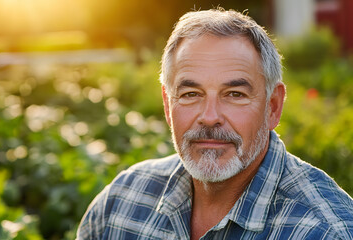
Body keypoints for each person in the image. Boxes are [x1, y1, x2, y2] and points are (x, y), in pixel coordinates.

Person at [77, 8, 353, 239]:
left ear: (273, 107)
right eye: (190, 94)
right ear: (167, 105)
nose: (210, 117)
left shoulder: (327, 231)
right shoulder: (119, 204)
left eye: (234, 94)